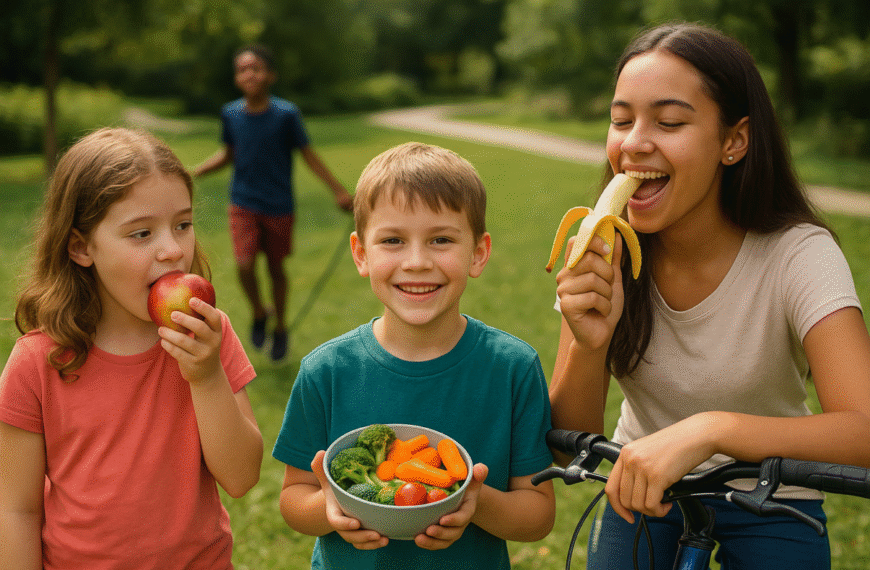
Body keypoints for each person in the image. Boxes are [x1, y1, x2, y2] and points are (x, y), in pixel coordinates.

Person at [548, 22, 870, 569]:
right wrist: (589, 341)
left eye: (669, 121)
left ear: (734, 141)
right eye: (621, 120)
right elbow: (564, 444)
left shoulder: (800, 255)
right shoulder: (604, 249)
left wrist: (712, 429)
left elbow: (862, 429)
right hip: (643, 495)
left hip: (773, 496)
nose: (634, 143)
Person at [272, 142, 556, 568]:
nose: (417, 262)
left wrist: (476, 502)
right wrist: (329, 506)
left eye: (441, 239)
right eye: (392, 240)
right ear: (361, 254)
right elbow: (294, 496)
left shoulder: (512, 367)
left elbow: (537, 515)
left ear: (478, 253)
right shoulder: (326, 371)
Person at [0, 128, 264, 570]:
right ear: (82, 247)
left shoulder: (206, 336)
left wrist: (205, 375)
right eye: (141, 234)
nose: (172, 250)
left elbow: (241, 477)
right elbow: (16, 509)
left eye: (183, 224)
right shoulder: (39, 361)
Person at [194, 43, 354, 362]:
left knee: (276, 269)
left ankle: (280, 327)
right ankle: (258, 312)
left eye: (255, 68)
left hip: (279, 205)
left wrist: (338, 190)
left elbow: (309, 156)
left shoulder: (286, 115)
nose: (248, 74)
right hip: (243, 202)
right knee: (244, 264)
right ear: (236, 77)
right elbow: (228, 155)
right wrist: (191, 172)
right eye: (241, 69)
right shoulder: (231, 114)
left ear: (270, 75)